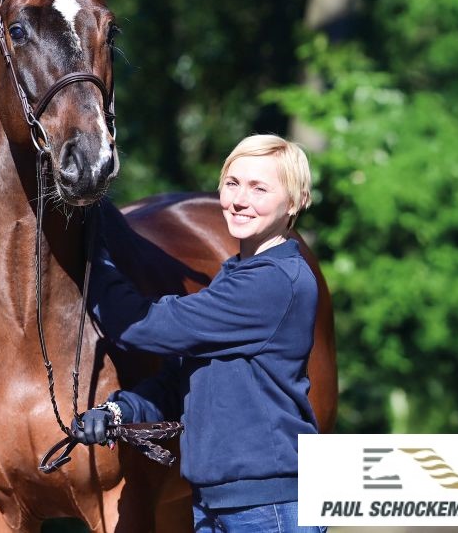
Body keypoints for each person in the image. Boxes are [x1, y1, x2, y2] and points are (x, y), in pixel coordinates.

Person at [73, 134, 325, 533]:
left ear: (295, 202)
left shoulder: (276, 281)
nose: (240, 200)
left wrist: (94, 258)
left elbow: (148, 326)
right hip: (215, 505)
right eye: (232, 183)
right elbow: (182, 381)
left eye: (259, 188)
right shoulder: (235, 276)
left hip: (270, 507)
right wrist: (118, 411)